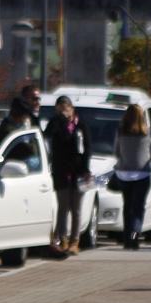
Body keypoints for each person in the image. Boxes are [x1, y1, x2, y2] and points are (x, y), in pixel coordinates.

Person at [44, 96, 92, 254]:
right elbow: (49, 136)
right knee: (63, 207)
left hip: (78, 171)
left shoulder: (80, 124)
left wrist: (86, 169)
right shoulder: (55, 123)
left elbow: (87, 148)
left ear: (72, 108)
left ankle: (75, 241)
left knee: (76, 208)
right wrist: (60, 120)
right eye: (60, 109)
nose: (64, 112)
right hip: (61, 171)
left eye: (66, 108)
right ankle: (63, 239)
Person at [113, 104, 151, 250]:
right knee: (138, 207)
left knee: (127, 206)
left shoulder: (121, 131)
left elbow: (116, 151)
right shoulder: (147, 132)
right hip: (142, 174)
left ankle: (126, 239)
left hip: (124, 173)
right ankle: (134, 236)